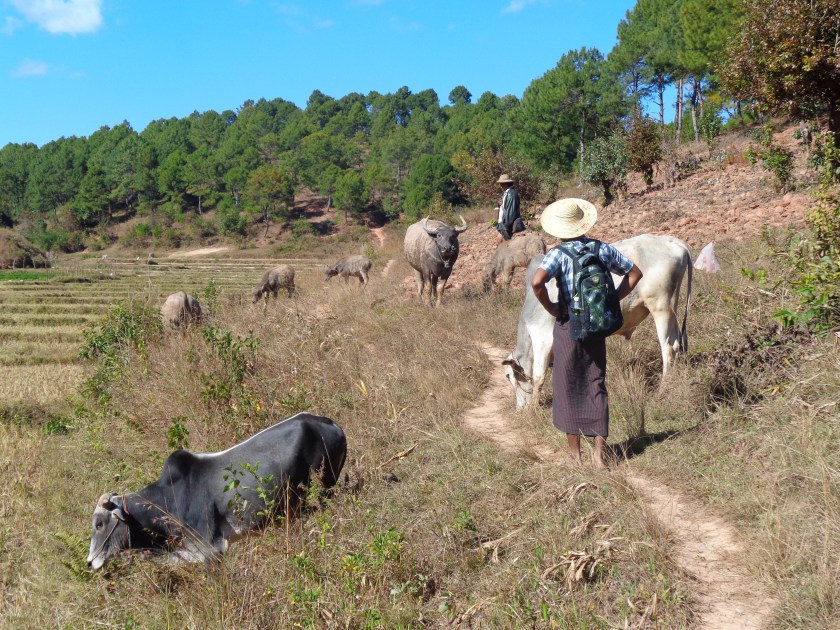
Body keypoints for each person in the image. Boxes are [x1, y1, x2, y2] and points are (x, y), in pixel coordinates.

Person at [530, 198, 643, 469]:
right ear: (583, 224)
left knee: (568, 387)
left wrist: (552, 308)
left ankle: (575, 457)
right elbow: (635, 274)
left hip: (570, 325)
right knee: (596, 383)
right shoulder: (601, 248)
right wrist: (612, 300)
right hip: (597, 326)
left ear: (559, 229)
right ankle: (599, 457)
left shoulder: (557, 254)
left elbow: (537, 282)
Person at [495, 173, 522, 243]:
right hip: (503, 222)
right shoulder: (507, 193)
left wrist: (506, 225)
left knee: (504, 243)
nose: (500, 185)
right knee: (500, 240)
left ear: (506, 183)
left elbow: (511, 211)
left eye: (502, 183)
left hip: (506, 223)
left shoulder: (511, 194)